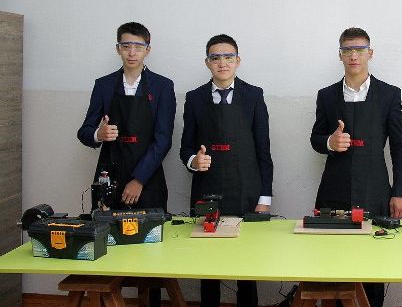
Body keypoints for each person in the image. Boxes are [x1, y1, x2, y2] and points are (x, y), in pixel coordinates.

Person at [77, 22, 175, 307]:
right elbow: (84, 131)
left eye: (138, 46)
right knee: (107, 246)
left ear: (148, 50)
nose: (132, 52)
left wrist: (139, 179)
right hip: (111, 175)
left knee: (152, 250)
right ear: (117, 48)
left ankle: (152, 301)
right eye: (126, 46)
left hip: (149, 179)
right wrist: (99, 134)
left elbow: (163, 140)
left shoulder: (163, 86)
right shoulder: (104, 85)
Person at [310, 27, 402, 307]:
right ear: (340, 55)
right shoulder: (326, 95)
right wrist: (330, 142)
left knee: (374, 264)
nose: (354, 56)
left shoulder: (389, 94)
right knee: (332, 263)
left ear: (370, 53)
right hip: (334, 189)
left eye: (360, 50)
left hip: (375, 189)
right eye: (347, 50)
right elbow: (315, 138)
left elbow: (399, 146)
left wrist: (399, 191)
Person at [180, 34, 273, 307]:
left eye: (228, 57)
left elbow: (264, 152)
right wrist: (194, 161)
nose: (222, 63)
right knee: (208, 268)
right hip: (207, 191)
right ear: (207, 62)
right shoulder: (194, 98)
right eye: (215, 57)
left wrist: (264, 199)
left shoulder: (254, 96)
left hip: (247, 193)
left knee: (247, 269)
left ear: (238, 61)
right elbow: (185, 147)